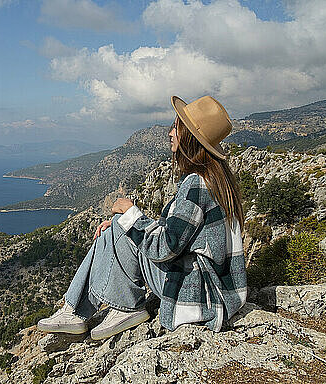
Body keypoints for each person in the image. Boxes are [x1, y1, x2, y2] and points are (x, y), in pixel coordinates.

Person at [37, 95, 247, 340]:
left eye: (177, 127)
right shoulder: (217, 179)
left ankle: (92, 310)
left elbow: (165, 248)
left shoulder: (196, 184)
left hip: (196, 295)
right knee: (118, 224)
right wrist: (127, 221)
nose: (170, 133)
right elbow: (182, 237)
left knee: (123, 223)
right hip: (213, 289)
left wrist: (131, 215)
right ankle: (78, 310)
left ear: (190, 138)